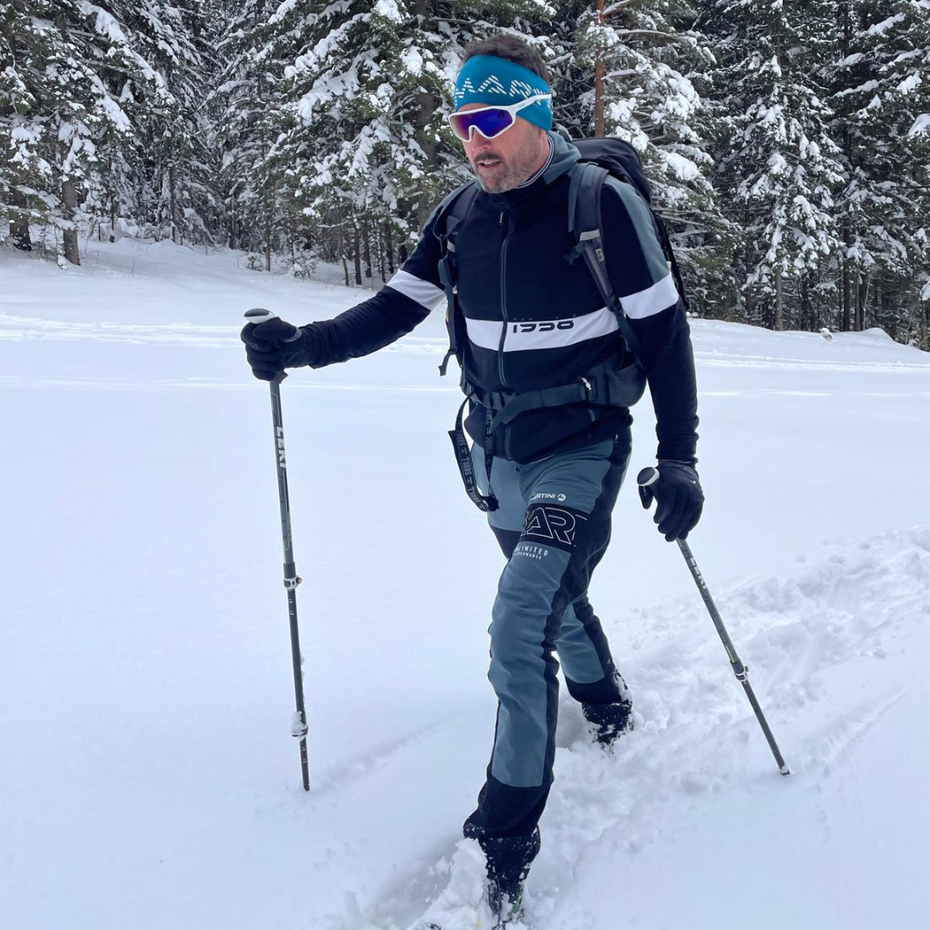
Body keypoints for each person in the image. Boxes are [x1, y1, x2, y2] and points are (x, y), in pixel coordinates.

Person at [241, 34, 703, 928]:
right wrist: (302, 347)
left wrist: (679, 454)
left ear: (535, 114)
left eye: (491, 119)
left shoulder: (599, 208)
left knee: (520, 615)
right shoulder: (461, 214)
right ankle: (604, 700)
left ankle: (502, 840)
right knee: (555, 601)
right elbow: (395, 309)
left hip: (584, 447)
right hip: (494, 453)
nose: (475, 140)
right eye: (462, 123)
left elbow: (665, 338)